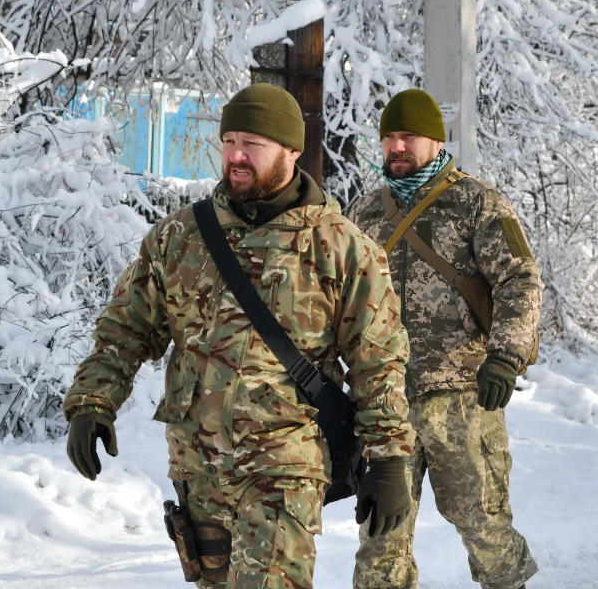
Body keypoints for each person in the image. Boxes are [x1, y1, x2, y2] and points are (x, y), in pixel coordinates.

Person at [63, 83, 416, 588]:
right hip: (198, 468)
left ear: (292, 152)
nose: (236, 156)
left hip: (285, 469)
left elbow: (376, 363)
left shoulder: (341, 247)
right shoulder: (180, 237)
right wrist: (93, 403)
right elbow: (126, 329)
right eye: (229, 141)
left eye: (253, 143)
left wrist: (389, 460)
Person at [346, 88, 541, 589]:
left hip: (463, 399)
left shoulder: (478, 203)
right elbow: (338, 296)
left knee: (485, 527)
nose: (397, 147)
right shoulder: (364, 212)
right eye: (389, 137)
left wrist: (505, 355)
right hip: (384, 404)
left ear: (435, 139)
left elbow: (519, 281)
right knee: (379, 539)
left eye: (408, 136)